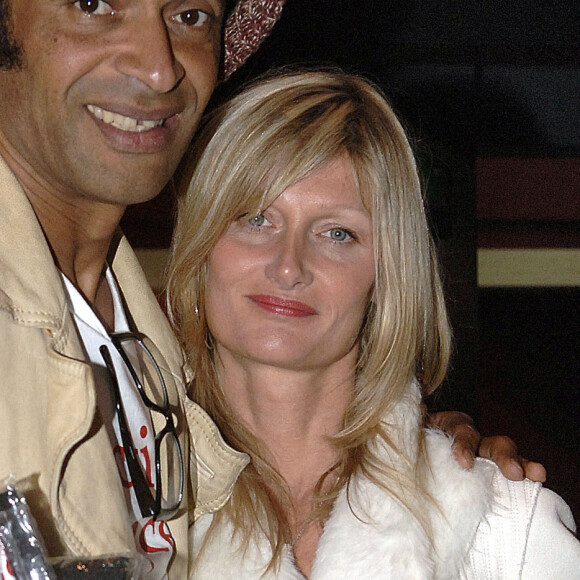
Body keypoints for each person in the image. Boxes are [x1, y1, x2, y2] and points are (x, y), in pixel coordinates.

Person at [0, 0, 544, 576]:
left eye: (190, 15)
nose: (159, 68)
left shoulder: (151, 393)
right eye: (94, 3)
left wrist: (432, 471)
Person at [165, 69, 579, 578]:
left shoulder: (504, 531)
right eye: (256, 219)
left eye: (337, 233)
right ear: (201, 244)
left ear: (387, 273)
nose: (288, 266)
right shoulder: (123, 509)